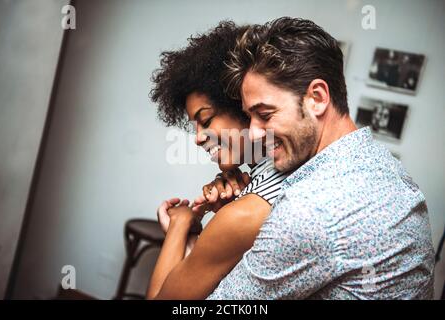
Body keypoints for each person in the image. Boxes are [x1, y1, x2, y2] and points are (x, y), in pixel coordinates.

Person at [202, 17, 435, 299]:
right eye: (250, 117)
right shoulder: (381, 165)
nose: (252, 135)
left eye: (265, 115)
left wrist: (187, 229)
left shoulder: (310, 211)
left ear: (317, 98)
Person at [145, 22, 288, 300]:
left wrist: (180, 224)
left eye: (206, 120)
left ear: (242, 107)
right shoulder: (265, 175)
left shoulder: (260, 199)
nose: (198, 138)